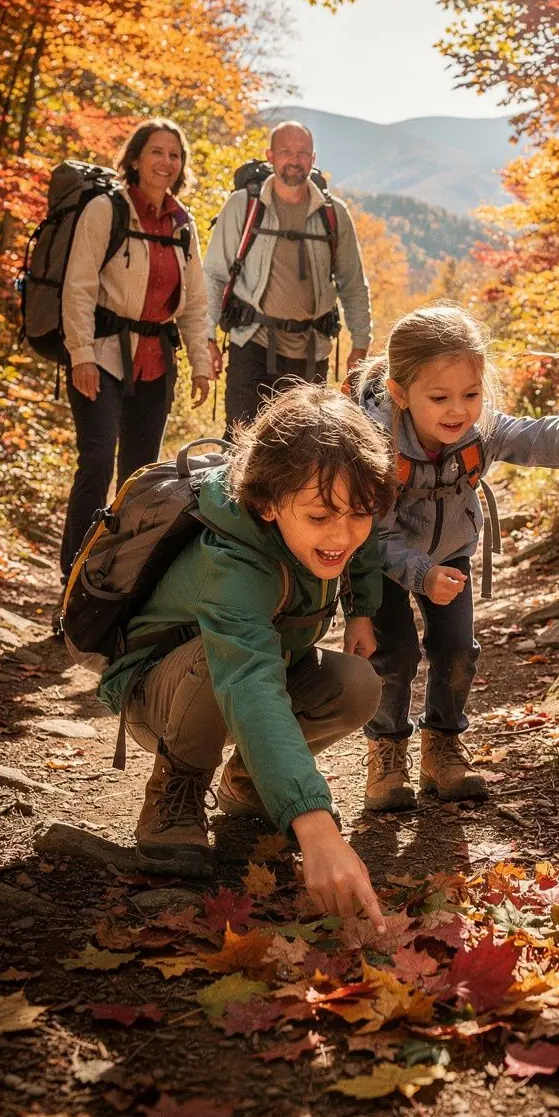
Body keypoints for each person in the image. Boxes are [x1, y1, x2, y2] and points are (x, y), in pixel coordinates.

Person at [95, 384, 396, 926]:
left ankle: (249, 782)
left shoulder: (334, 519)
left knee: (357, 685)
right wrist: (315, 825)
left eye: (358, 512)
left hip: (259, 667)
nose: (342, 533)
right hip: (166, 690)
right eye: (321, 516)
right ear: (265, 503)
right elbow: (248, 682)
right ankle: (177, 784)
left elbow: (363, 539)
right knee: (219, 664)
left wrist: (361, 609)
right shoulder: (231, 559)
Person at [356, 305, 559, 813]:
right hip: (380, 565)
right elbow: (370, 535)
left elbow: (534, 435)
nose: (458, 410)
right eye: (440, 397)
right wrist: (421, 576)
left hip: (451, 555)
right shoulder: (372, 442)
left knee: (456, 650)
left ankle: (441, 747)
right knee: (394, 656)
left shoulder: (479, 428)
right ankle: (386, 750)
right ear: (401, 393)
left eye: (470, 394)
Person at [59, 119, 211, 598]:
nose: (166, 162)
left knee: (139, 479)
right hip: (101, 355)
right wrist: (81, 355)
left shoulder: (183, 226)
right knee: (98, 460)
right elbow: (78, 287)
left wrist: (203, 365)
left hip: (157, 364)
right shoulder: (107, 211)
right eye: (157, 152)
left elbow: (196, 304)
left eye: (175, 154)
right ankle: (73, 583)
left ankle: (117, 588)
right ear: (136, 158)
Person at [203, 121, 371, 429]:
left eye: (302, 152)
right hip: (252, 343)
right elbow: (213, 274)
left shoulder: (334, 214)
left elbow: (353, 283)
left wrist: (360, 343)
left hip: (311, 350)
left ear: (313, 158)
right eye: (285, 151)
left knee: (302, 453)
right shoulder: (244, 205)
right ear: (270, 156)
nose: (294, 160)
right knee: (242, 446)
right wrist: (206, 337)